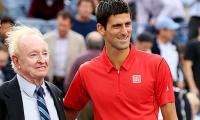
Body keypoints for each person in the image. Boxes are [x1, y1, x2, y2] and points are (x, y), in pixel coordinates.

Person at [64, 0, 177, 119]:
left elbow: (171, 117)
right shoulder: (86, 71)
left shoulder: (157, 65)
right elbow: (67, 113)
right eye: (117, 26)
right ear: (101, 28)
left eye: (127, 24)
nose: (124, 32)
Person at [0, 25, 66, 120]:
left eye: (45, 53)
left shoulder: (56, 93)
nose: (42, 60)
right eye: (33, 55)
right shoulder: (2, 96)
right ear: (16, 61)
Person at [44, 10, 86, 92]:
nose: (61, 28)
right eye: (59, 25)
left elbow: (83, 62)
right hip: (51, 80)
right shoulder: (46, 38)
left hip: (71, 81)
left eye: (64, 25)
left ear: (70, 25)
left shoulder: (79, 39)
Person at [151, 16, 184, 89]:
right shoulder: (152, 47)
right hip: (159, 87)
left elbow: (178, 65)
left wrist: (180, 79)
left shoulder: (174, 46)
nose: (174, 33)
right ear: (162, 30)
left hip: (175, 86)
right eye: (171, 30)